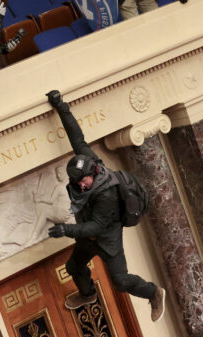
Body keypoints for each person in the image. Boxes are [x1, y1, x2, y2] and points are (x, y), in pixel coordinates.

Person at [45, 89, 166, 322]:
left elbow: (95, 227)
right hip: (87, 238)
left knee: (120, 281)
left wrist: (65, 230)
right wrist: (61, 107)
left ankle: (153, 292)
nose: (80, 186)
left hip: (107, 238)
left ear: (93, 173)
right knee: (74, 267)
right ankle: (88, 294)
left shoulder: (106, 193)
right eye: (76, 182)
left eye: (83, 181)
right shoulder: (89, 161)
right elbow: (76, 137)